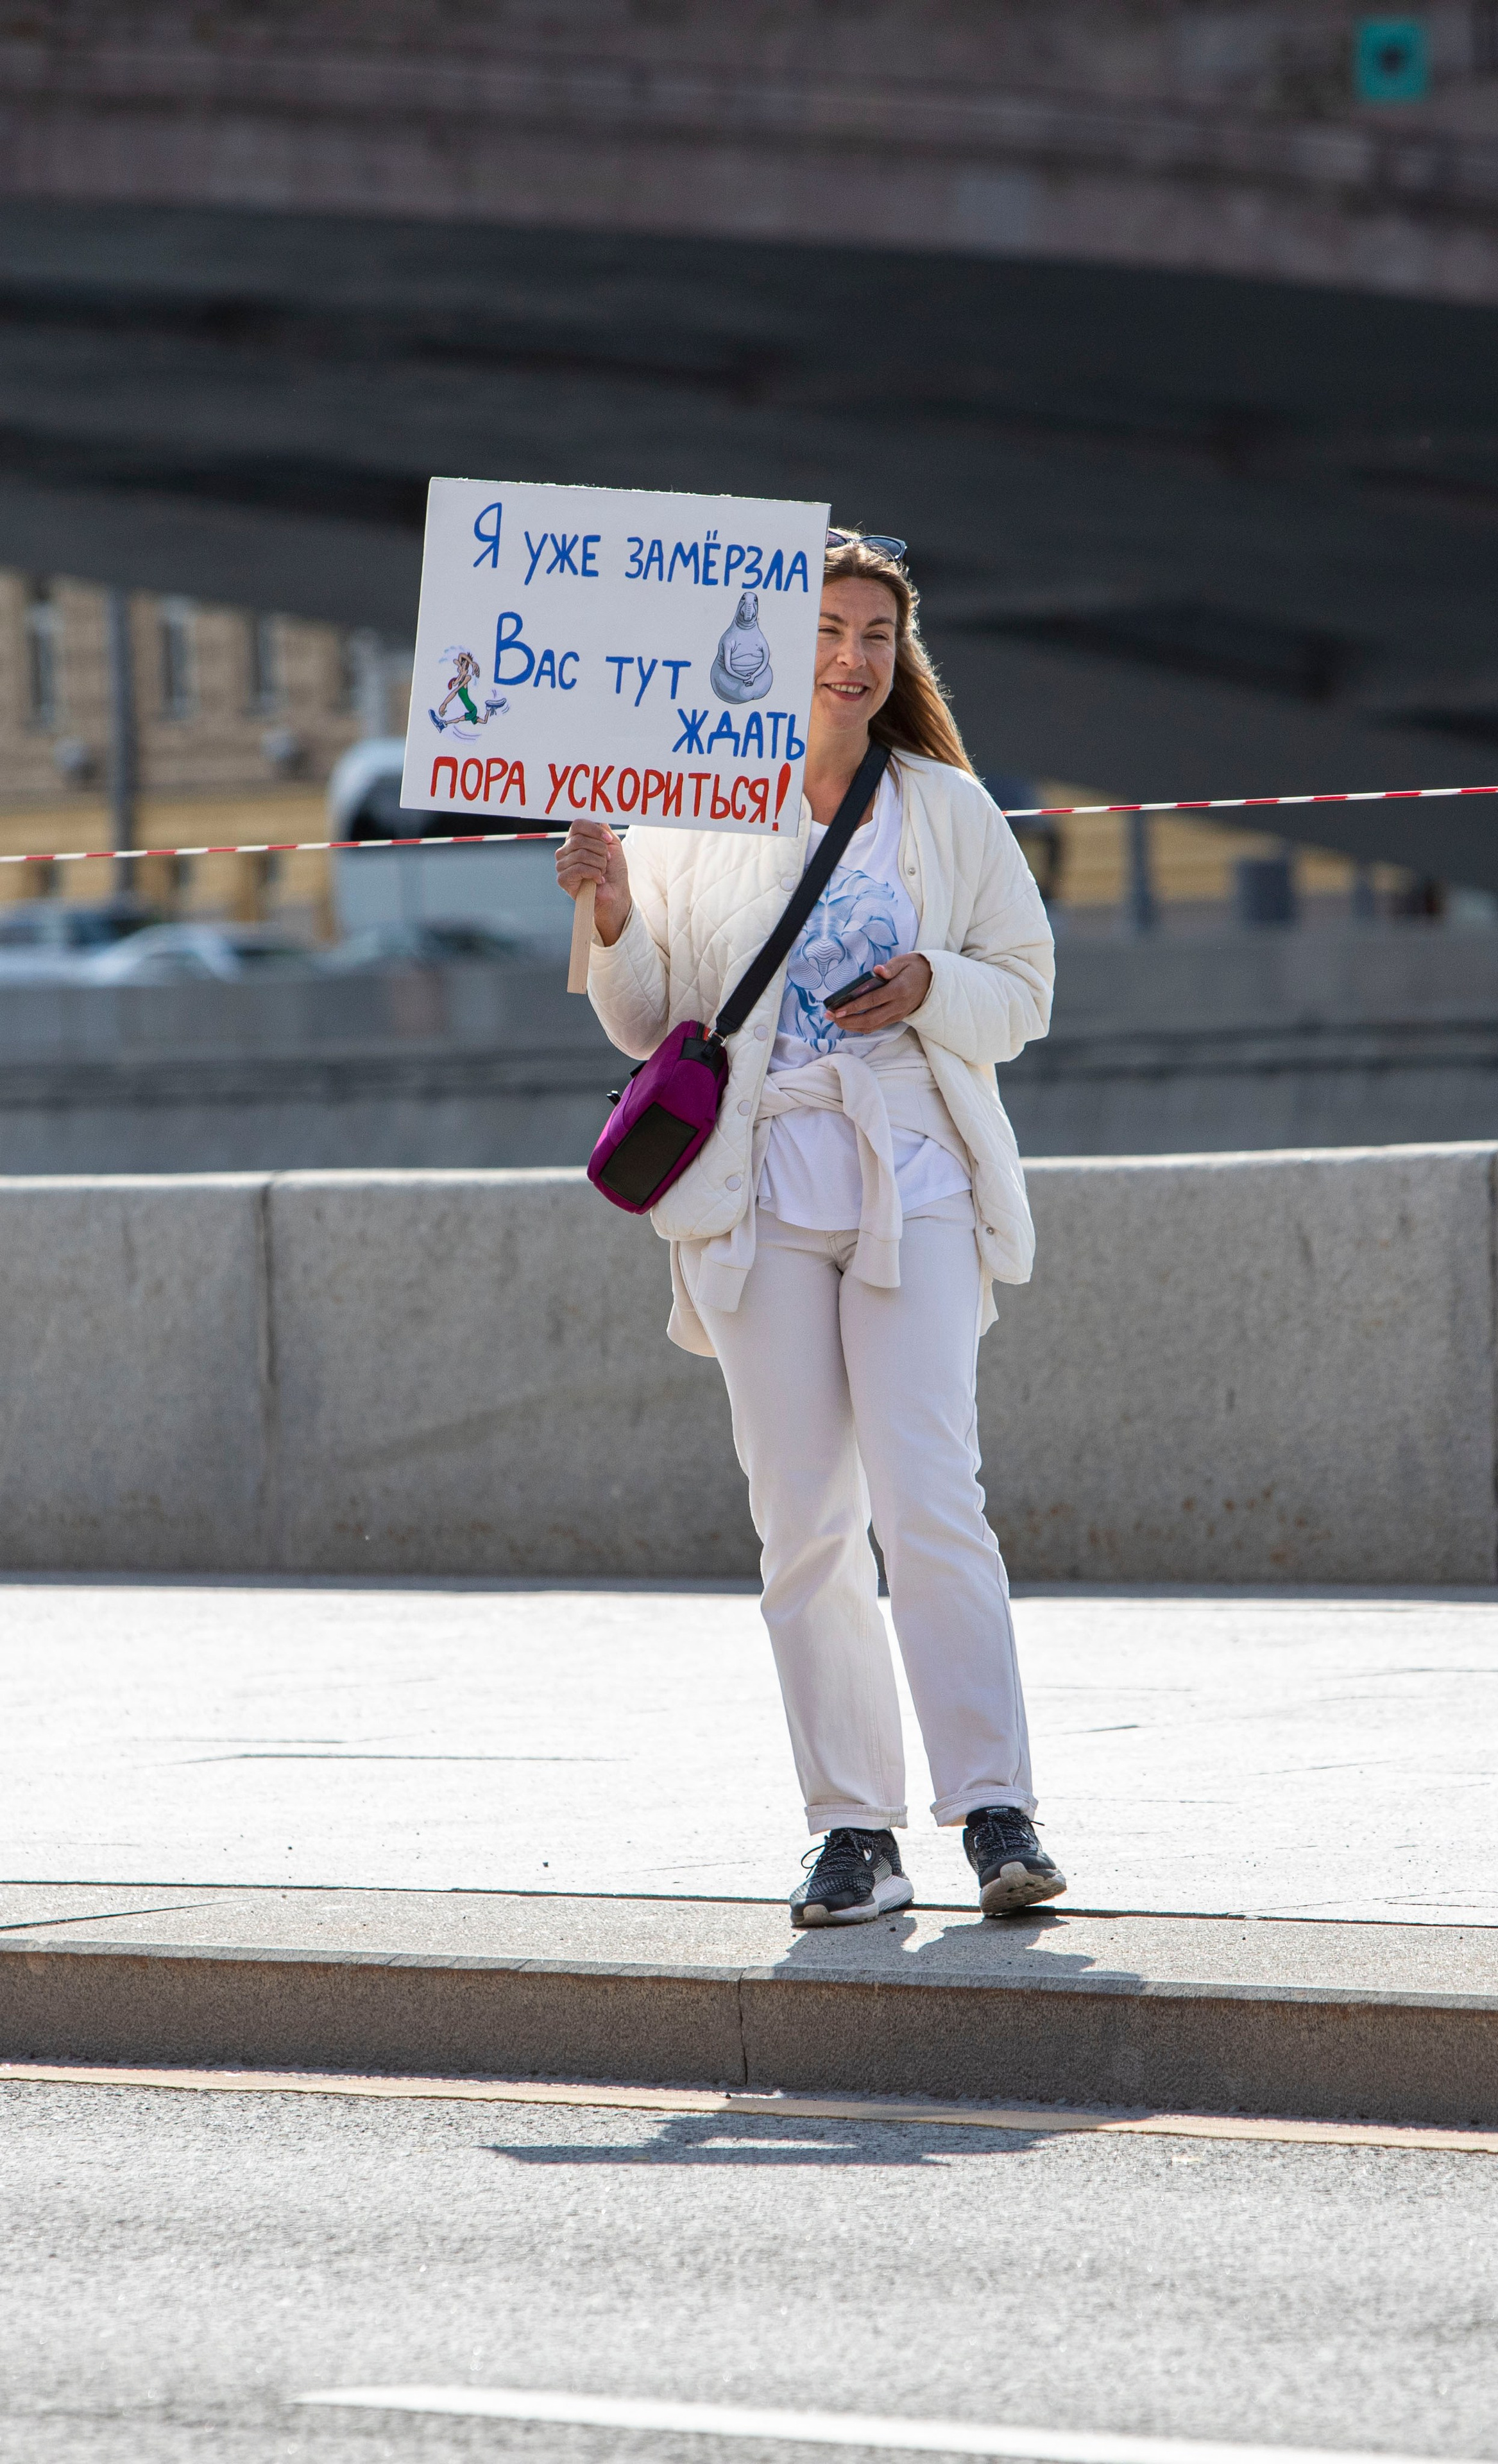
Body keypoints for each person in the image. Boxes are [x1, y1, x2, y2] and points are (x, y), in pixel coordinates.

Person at [556, 529, 1064, 1924]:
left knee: (928, 1491)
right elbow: (651, 1016)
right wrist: (610, 908)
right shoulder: (687, 807)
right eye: (827, 633)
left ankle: (996, 1810)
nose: (850, 660)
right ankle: (852, 1830)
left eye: (873, 638)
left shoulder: (945, 809)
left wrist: (929, 985)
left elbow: (1022, 992)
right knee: (802, 1519)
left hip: (916, 1171)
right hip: (760, 1182)